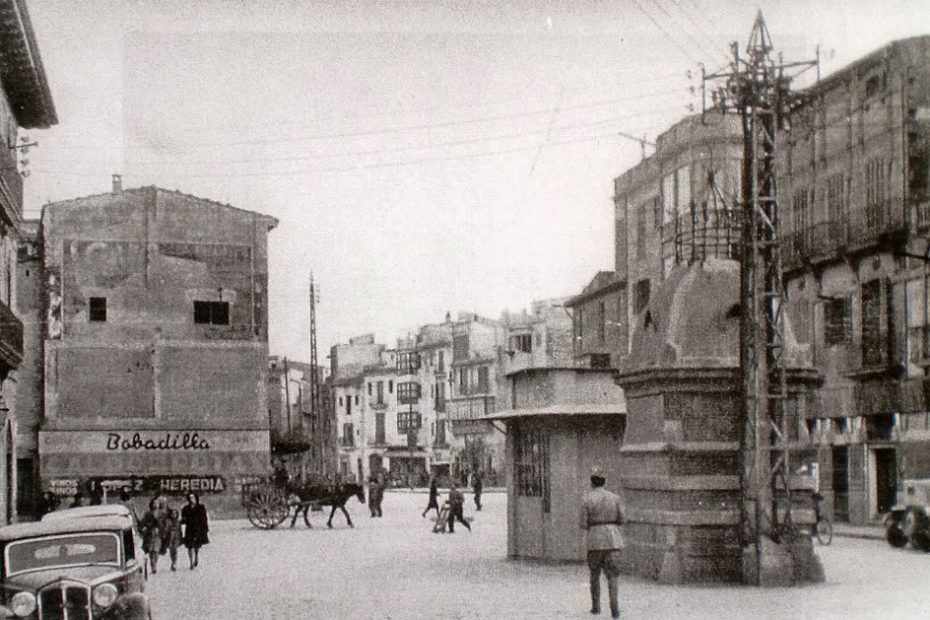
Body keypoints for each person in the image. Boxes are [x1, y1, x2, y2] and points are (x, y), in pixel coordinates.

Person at [579, 467, 625, 620]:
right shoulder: (615, 498)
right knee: (613, 575)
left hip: (595, 540)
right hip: (613, 540)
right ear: (605, 482)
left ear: (591, 483)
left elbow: (583, 523)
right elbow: (622, 519)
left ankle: (596, 606)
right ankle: (615, 609)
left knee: (594, 575)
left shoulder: (586, 499)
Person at [181, 492, 209, 570]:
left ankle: (196, 556)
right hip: (189, 528)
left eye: (192, 497)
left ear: (196, 498)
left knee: (197, 545)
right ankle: (191, 562)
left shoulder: (201, 507)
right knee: (189, 546)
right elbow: (183, 519)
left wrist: (205, 529)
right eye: (190, 498)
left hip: (198, 528)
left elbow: (204, 518)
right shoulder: (185, 508)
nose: (191, 499)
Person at [139, 498, 164, 574]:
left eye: (157, 503)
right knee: (151, 550)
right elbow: (143, 522)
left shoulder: (161, 513)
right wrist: (144, 528)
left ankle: (154, 563)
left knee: (156, 550)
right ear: (151, 504)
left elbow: (164, 523)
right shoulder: (148, 513)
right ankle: (153, 565)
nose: (155, 504)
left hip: (158, 534)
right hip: (149, 534)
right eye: (154, 503)